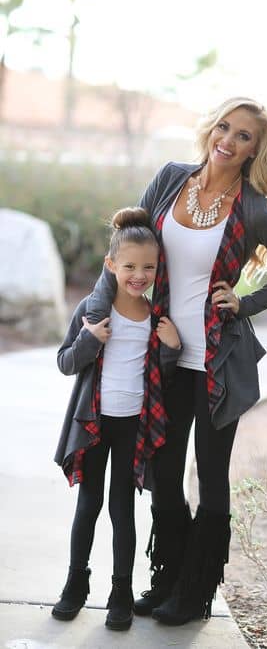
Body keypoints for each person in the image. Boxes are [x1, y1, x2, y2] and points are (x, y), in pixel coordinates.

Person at [86, 96, 267, 626]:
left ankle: (194, 597)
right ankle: (167, 577)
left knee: (210, 477)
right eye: (225, 127)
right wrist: (99, 314)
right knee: (164, 474)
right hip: (163, 354)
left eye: (244, 136)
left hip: (216, 361)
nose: (228, 141)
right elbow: (127, 246)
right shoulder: (170, 179)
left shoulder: (254, 208)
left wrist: (245, 301)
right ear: (211, 128)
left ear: (256, 149)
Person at [52, 208, 181, 631]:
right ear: (112, 266)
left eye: (148, 267)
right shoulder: (93, 311)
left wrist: (171, 348)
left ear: (157, 268)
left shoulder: (156, 318)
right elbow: (65, 362)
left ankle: (121, 592)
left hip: (133, 426)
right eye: (129, 266)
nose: (139, 274)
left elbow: (163, 375)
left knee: (122, 509)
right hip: (94, 423)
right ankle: (75, 584)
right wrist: (90, 341)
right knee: (88, 504)